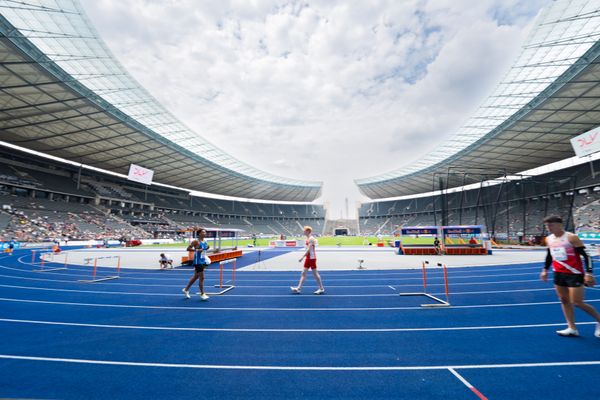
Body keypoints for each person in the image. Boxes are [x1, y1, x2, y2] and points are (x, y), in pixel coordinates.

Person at [540, 215, 600, 338]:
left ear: (559, 224)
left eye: (551, 225)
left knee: (577, 302)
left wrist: (589, 273)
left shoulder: (571, 237)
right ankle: (572, 327)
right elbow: (549, 255)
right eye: (547, 225)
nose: (548, 228)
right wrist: (545, 270)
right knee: (564, 300)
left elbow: (587, 256)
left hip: (574, 273)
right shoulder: (549, 239)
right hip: (558, 273)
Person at [291, 226, 325, 295]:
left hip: (311, 258)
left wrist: (302, 257)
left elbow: (309, 250)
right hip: (308, 258)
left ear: (308, 231)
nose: (303, 232)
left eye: (305, 231)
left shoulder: (311, 239)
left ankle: (321, 288)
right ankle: (298, 288)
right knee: (303, 273)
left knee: (315, 274)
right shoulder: (308, 238)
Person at [182, 229, 211, 301]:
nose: (205, 233)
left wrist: (207, 248)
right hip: (198, 262)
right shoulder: (196, 241)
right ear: (199, 234)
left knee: (195, 277)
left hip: (203, 260)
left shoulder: (205, 241)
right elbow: (188, 248)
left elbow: (204, 250)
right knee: (202, 277)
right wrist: (197, 250)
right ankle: (202, 294)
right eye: (203, 232)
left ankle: (186, 289)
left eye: (205, 232)